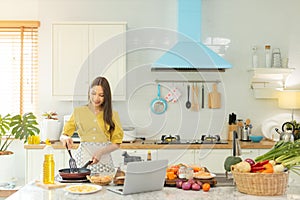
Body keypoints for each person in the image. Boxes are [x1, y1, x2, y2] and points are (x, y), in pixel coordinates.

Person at [60, 76, 124, 174]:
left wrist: (101, 152)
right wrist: (65, 139)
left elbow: (117, 143)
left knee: (104, 187)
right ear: (89, 93)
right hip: (83, 161)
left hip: (104, 161)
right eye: (93, 93)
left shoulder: (112, 115)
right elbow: (64, 134)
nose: (96, 98)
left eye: (101, 95)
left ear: (106, 96)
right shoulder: (79, 112)